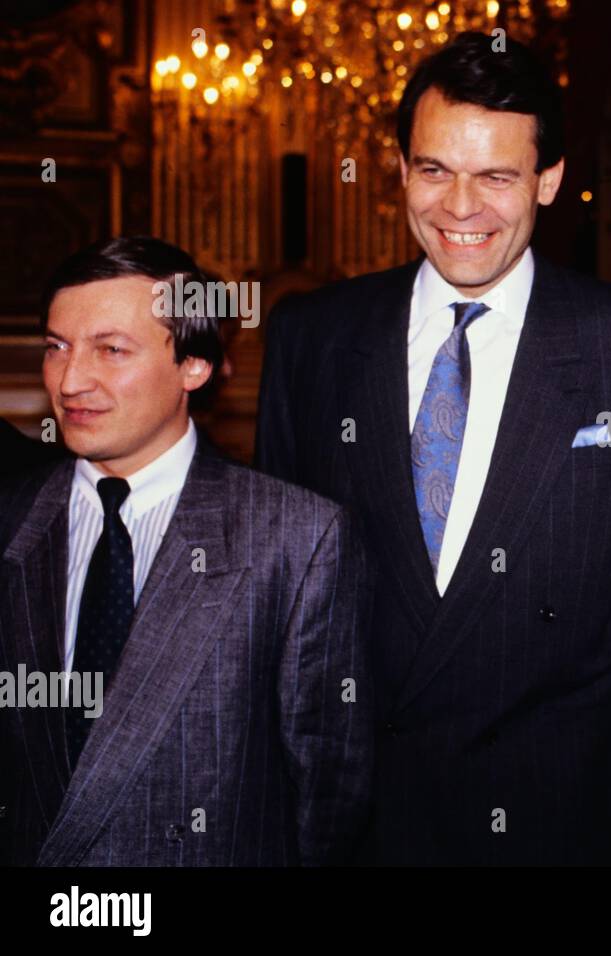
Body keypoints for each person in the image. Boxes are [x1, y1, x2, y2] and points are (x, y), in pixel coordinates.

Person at [255, 33, 611, 865]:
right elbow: (272, 599)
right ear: (400, 169)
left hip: (554, 815)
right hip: (355, 817)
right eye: (434, 171)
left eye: (496, 176)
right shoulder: (314, 338)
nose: (461, 207)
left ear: (550, 180)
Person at [0, 237, 372, 865]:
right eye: (57, 347)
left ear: (194, 367)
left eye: (110, 350)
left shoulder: (298, 539)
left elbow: (327, 794)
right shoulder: (11, 517)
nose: (70, 380)